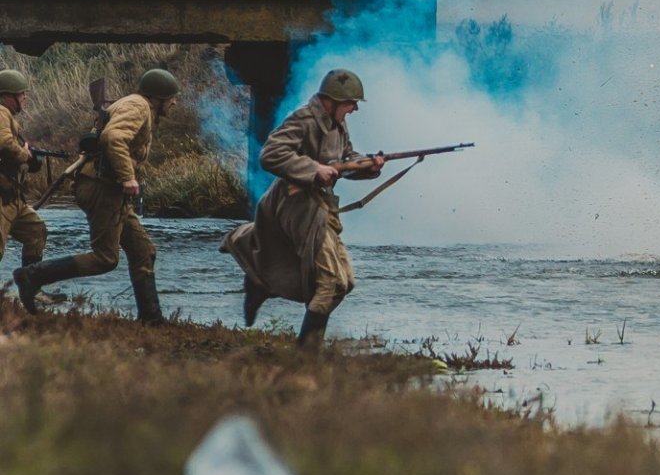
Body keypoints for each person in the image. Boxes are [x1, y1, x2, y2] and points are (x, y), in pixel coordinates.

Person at [221, 69, 385, 347]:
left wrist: (369, 166)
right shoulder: (303, 120)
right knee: (331, 281)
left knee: (345, 282)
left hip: (319, 207)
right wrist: (313, 169)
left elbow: (345, 159)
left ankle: (261, 285)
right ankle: (306, 353)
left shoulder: (338, 125)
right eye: (351, 103)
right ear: (331, 101)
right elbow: (270, 154)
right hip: (294, 204)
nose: (355, 108)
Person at [15, 68, 180, 323]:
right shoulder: (138, 107)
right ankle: (33, 275)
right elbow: (113, 138)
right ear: (158, 97)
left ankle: (151, 318)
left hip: (105, 188)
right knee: (105, 258)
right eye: (171, 97)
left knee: (143, 250)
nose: (175, 102)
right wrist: (128, 176)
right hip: (103, 188)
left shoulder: (133, 104)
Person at [0, 70, 48, 287]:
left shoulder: (7, 116)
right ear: (8, 96)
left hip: (12, 196)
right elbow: (4, 143)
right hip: (3, 195)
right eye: (21, 94)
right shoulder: (1, 111)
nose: (24, 98)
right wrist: (24, 154)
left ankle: (31, 290)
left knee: (35, 231)